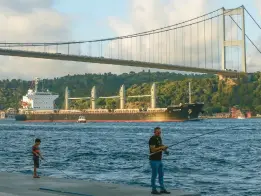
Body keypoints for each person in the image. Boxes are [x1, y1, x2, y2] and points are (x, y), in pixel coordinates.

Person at [149, 127, 170, 194]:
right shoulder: (152, 139)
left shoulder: (159, 138)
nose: (159, 133)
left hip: (159, 160)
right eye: (158, 132)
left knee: (161, 175)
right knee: (154, 175)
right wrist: (162, 147)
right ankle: (153, 190)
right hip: (154, 160)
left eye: (160, 132)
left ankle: (162, 189)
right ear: (154, 132)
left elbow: (161, 146)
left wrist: (165, 150)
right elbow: (153, 149)